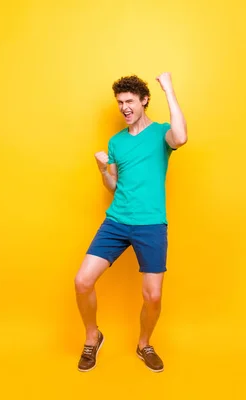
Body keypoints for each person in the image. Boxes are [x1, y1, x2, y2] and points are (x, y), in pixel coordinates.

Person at [74, 72, 188, 372]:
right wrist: (103, 170)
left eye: (129, 101)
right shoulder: (116, 141)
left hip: (151, 224)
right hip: (117, 221)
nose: (124, 107)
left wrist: (169, 88)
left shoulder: (162, 133)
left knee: (153, 295)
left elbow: (182, 137)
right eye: (120, 102)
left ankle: (144, 344)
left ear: (144, 101)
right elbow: (113, 185)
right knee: (82, 281)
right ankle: (92, 336)